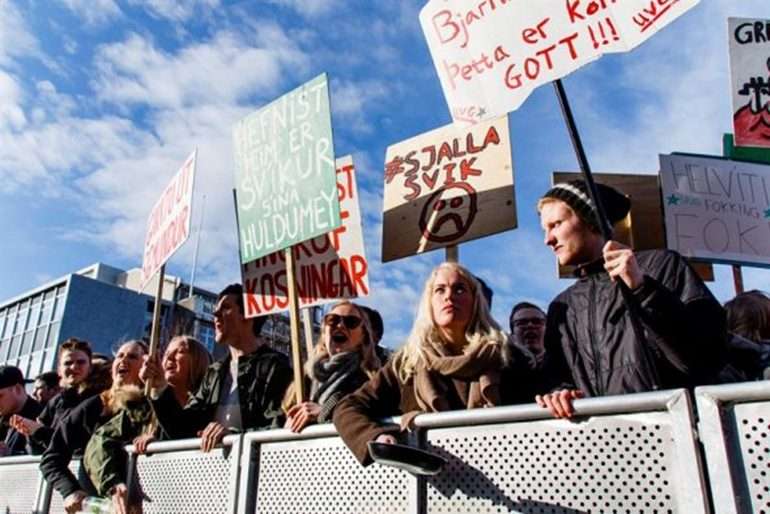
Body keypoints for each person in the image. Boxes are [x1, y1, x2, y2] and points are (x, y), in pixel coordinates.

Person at [535, 180, 726, 418]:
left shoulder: (661, 266)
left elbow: (706, 356)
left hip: (673, 432)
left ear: (591, 220)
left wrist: (643, 289)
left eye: (556, 225)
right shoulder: (561, 306)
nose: (548, 239)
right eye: (545, 229)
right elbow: (556, 376)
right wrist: (559, 393)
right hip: (603, 444)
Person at [333, 262, 527, 465]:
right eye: (439, 290)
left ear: (476, 301)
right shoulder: (407, 362)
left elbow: (545, 396)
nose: (449, 296)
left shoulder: (507, 355)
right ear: (429, 303)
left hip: (505, 474)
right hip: (431, 487)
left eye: (459, 289)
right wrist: (377, 437)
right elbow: (348, 407)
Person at [141, 284, 293, 453]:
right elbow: (184, 428)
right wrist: (160, 387)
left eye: (226, 308)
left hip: (254, 473)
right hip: (212, 474)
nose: (215, 315)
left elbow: (279, 426)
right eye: (216, 309)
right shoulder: (215, 372)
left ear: (249, 314)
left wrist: (234, 437)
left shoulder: (275, 366)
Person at [40, 340, 147, 514]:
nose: (123, 361)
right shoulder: (93, 406)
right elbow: (51, 459)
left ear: (146, 364)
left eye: (133, 357)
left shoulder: (155, 403)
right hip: (101, 506)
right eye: (120, 356)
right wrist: (71, 491)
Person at [283, 301, 382, 433]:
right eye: (332, 320)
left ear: (363, 336)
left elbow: (375, 411)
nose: (340, 325)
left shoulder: (372, 378)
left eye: (351, 322)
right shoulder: (304, 378)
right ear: (324, 333)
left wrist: (325, 411)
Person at [11, 338, 102, 455]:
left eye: (81, 362)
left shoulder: (100, 400)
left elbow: (78, 445)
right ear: (59, 370)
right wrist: (31, 433)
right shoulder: (55, 403)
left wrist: (39, 432)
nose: (74, 367)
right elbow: (38, 452)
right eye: (68, 363)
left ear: (90, 368)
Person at [132, 335, 212, 453]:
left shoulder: (207, 404)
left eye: (180, 352)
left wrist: (161, 445)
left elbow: (183, 432)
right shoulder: (152, 403)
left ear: (198, 362)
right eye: (166, 354)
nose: (169, 357)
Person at [0, 365, 42, 456]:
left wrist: (10, 454)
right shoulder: (3, 418)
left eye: (0, 396)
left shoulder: (42, 417)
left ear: (18, 389)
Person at [509, 302, 547, 369]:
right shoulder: (501, 368)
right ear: (512, 335)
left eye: (537, 321)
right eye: (522, 323)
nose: (530, 325)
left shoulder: (564, 365)